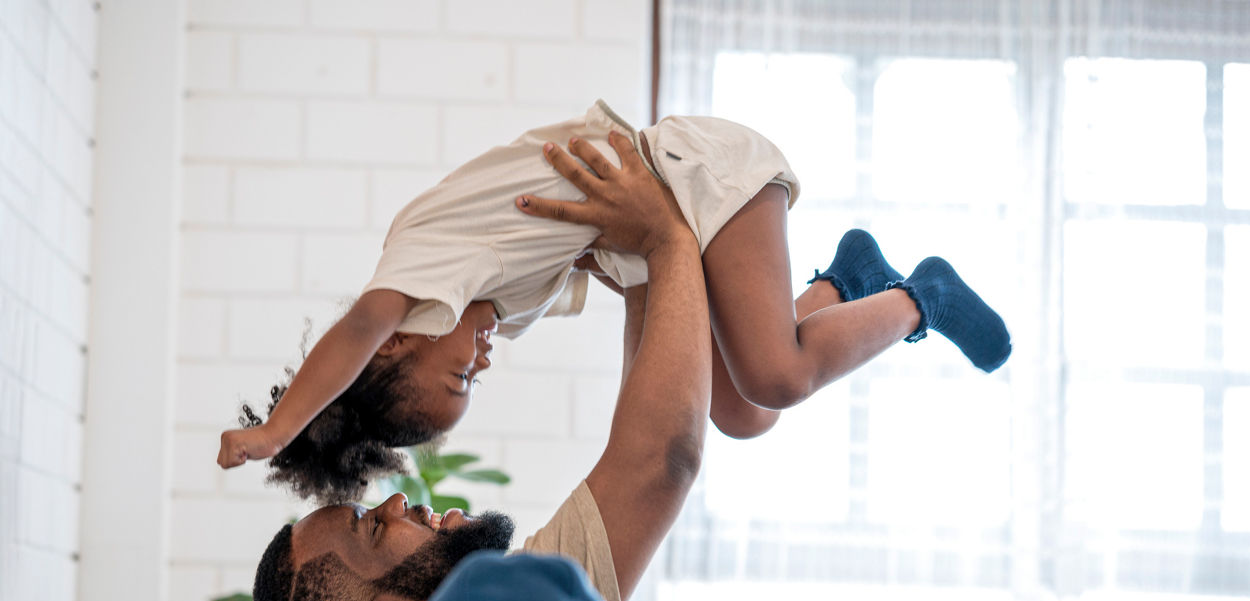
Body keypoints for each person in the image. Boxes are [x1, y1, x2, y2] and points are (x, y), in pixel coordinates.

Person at [249, 136, 929, 601]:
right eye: (374, 526)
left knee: (753, 399)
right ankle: (907, 302)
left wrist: (646, 270)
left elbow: (647, 435)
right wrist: (664, 238)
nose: (399, 502)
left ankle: (848, 288)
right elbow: (660, 456)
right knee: (759, 393)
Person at [216, 100, 1011, 504]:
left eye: (458, 377)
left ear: (394, 343)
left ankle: (923, 298)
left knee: (776, 378)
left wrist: (279, 430)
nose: (480, 362)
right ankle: (844, 282)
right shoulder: (487, 295)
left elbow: (356, 326)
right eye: (475, 384)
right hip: (670, 223)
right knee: (742, 414)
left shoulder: (420, 271)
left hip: (691, 177)